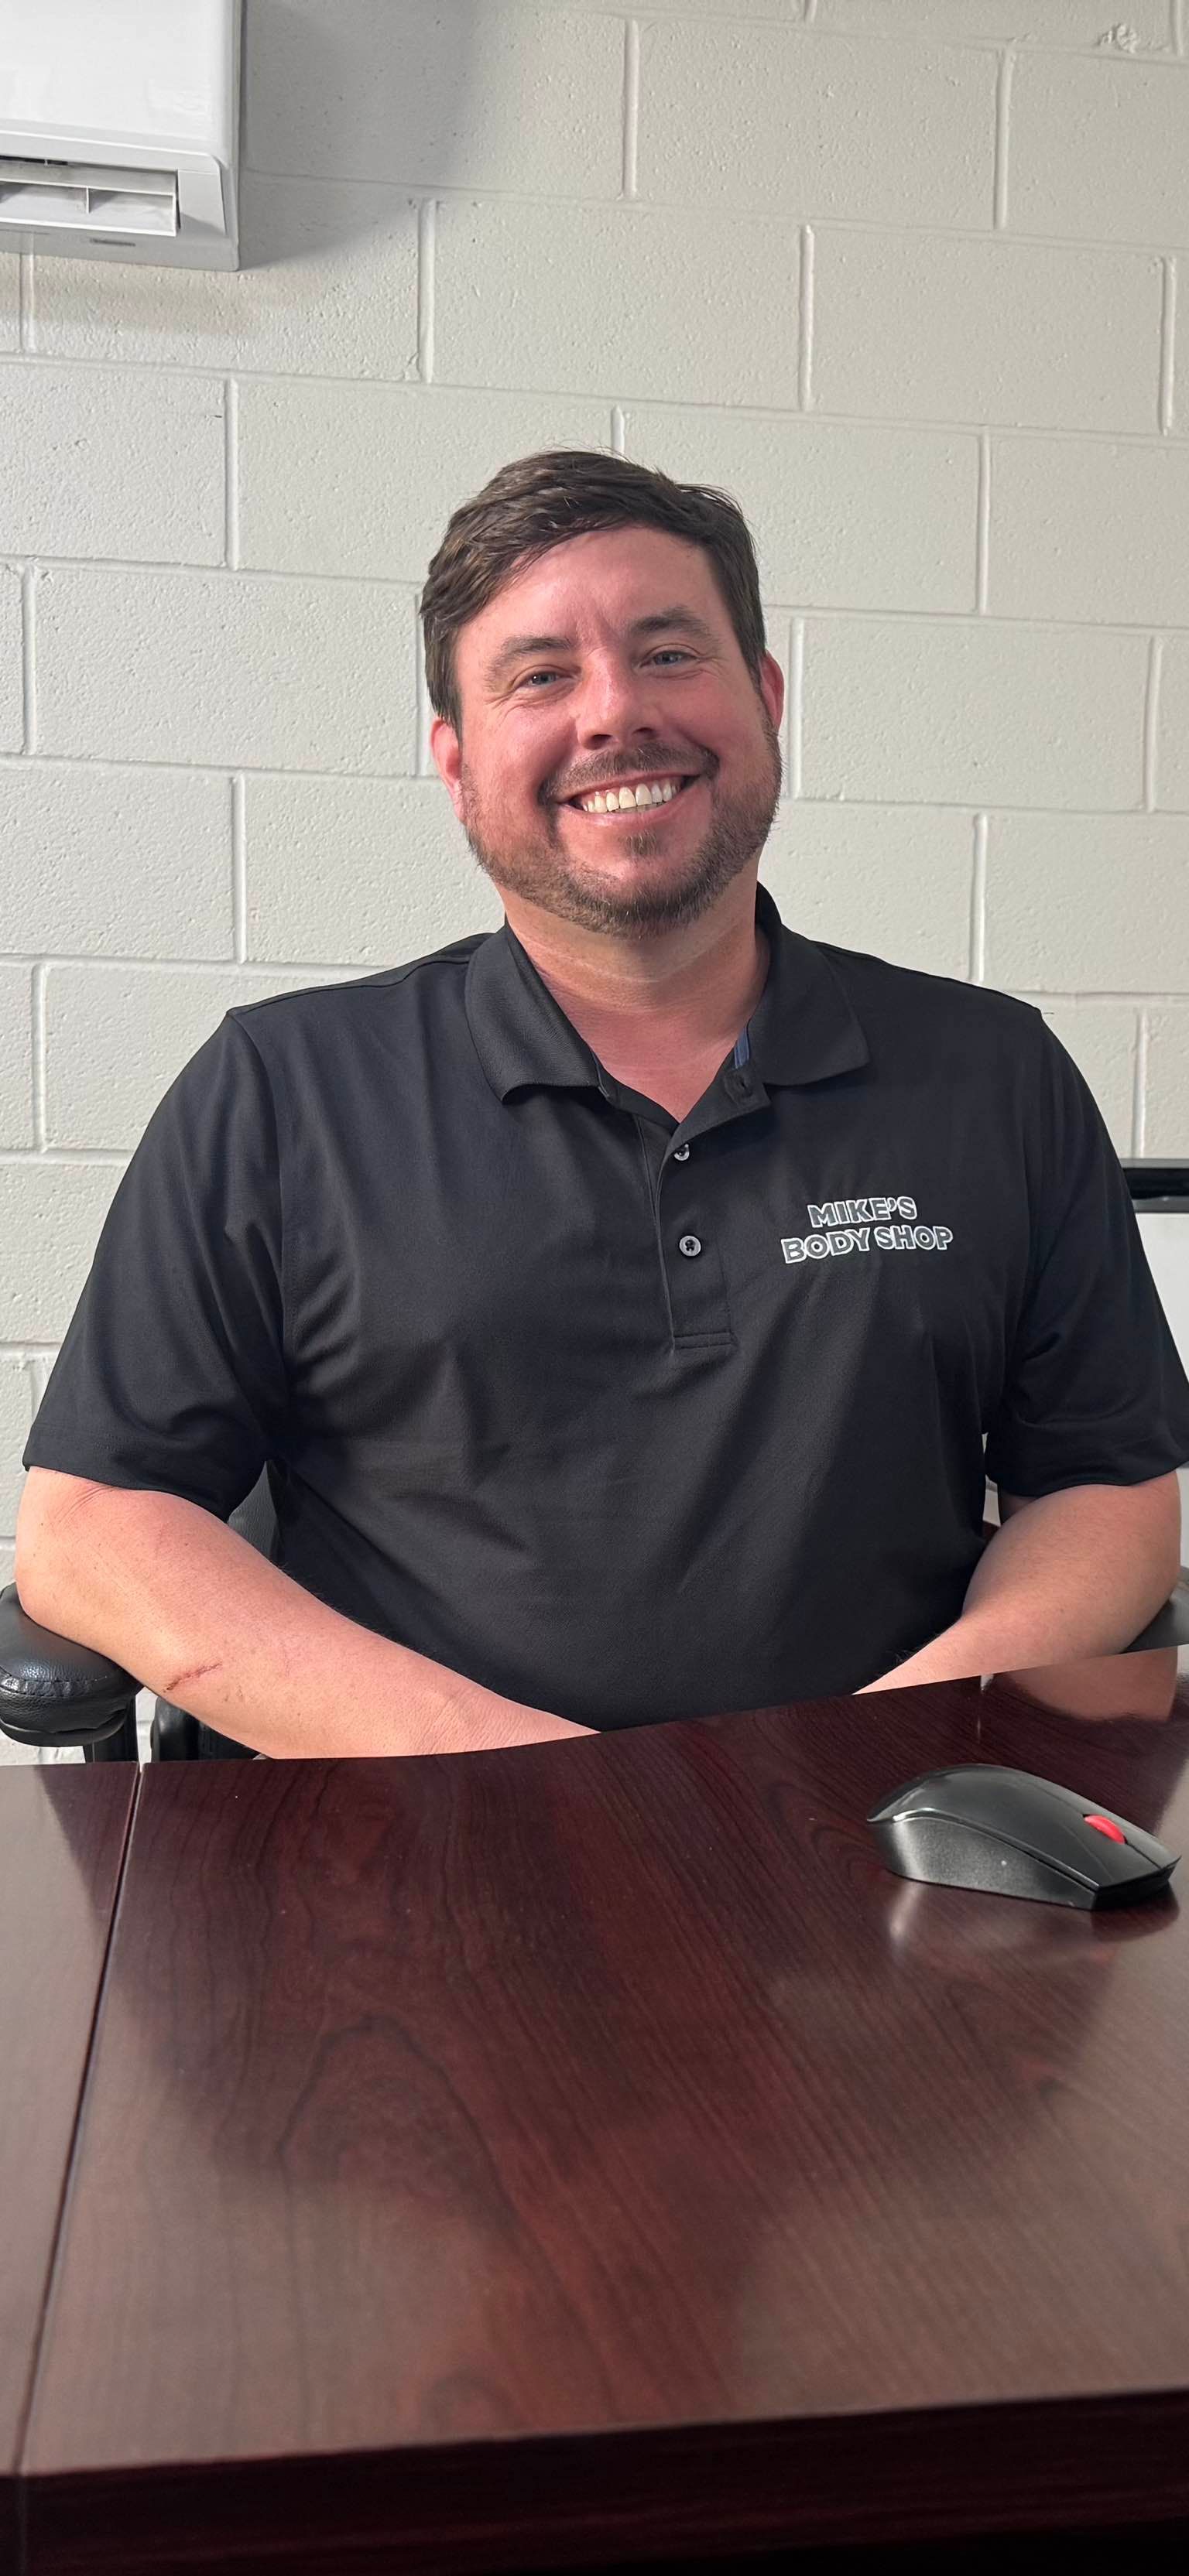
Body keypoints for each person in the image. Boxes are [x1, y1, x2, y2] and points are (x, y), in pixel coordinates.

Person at [16, 450, 1189, 1759]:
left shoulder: (993, 1073)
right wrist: (547, 1787)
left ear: (767, 696)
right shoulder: (284, 1091)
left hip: (883, 1863)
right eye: (541, 676)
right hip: (416, 1867)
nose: (616, 713)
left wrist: (890, 1751)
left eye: (670, 652)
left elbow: (1109, 1485)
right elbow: (93, 1530)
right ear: (456, 764)